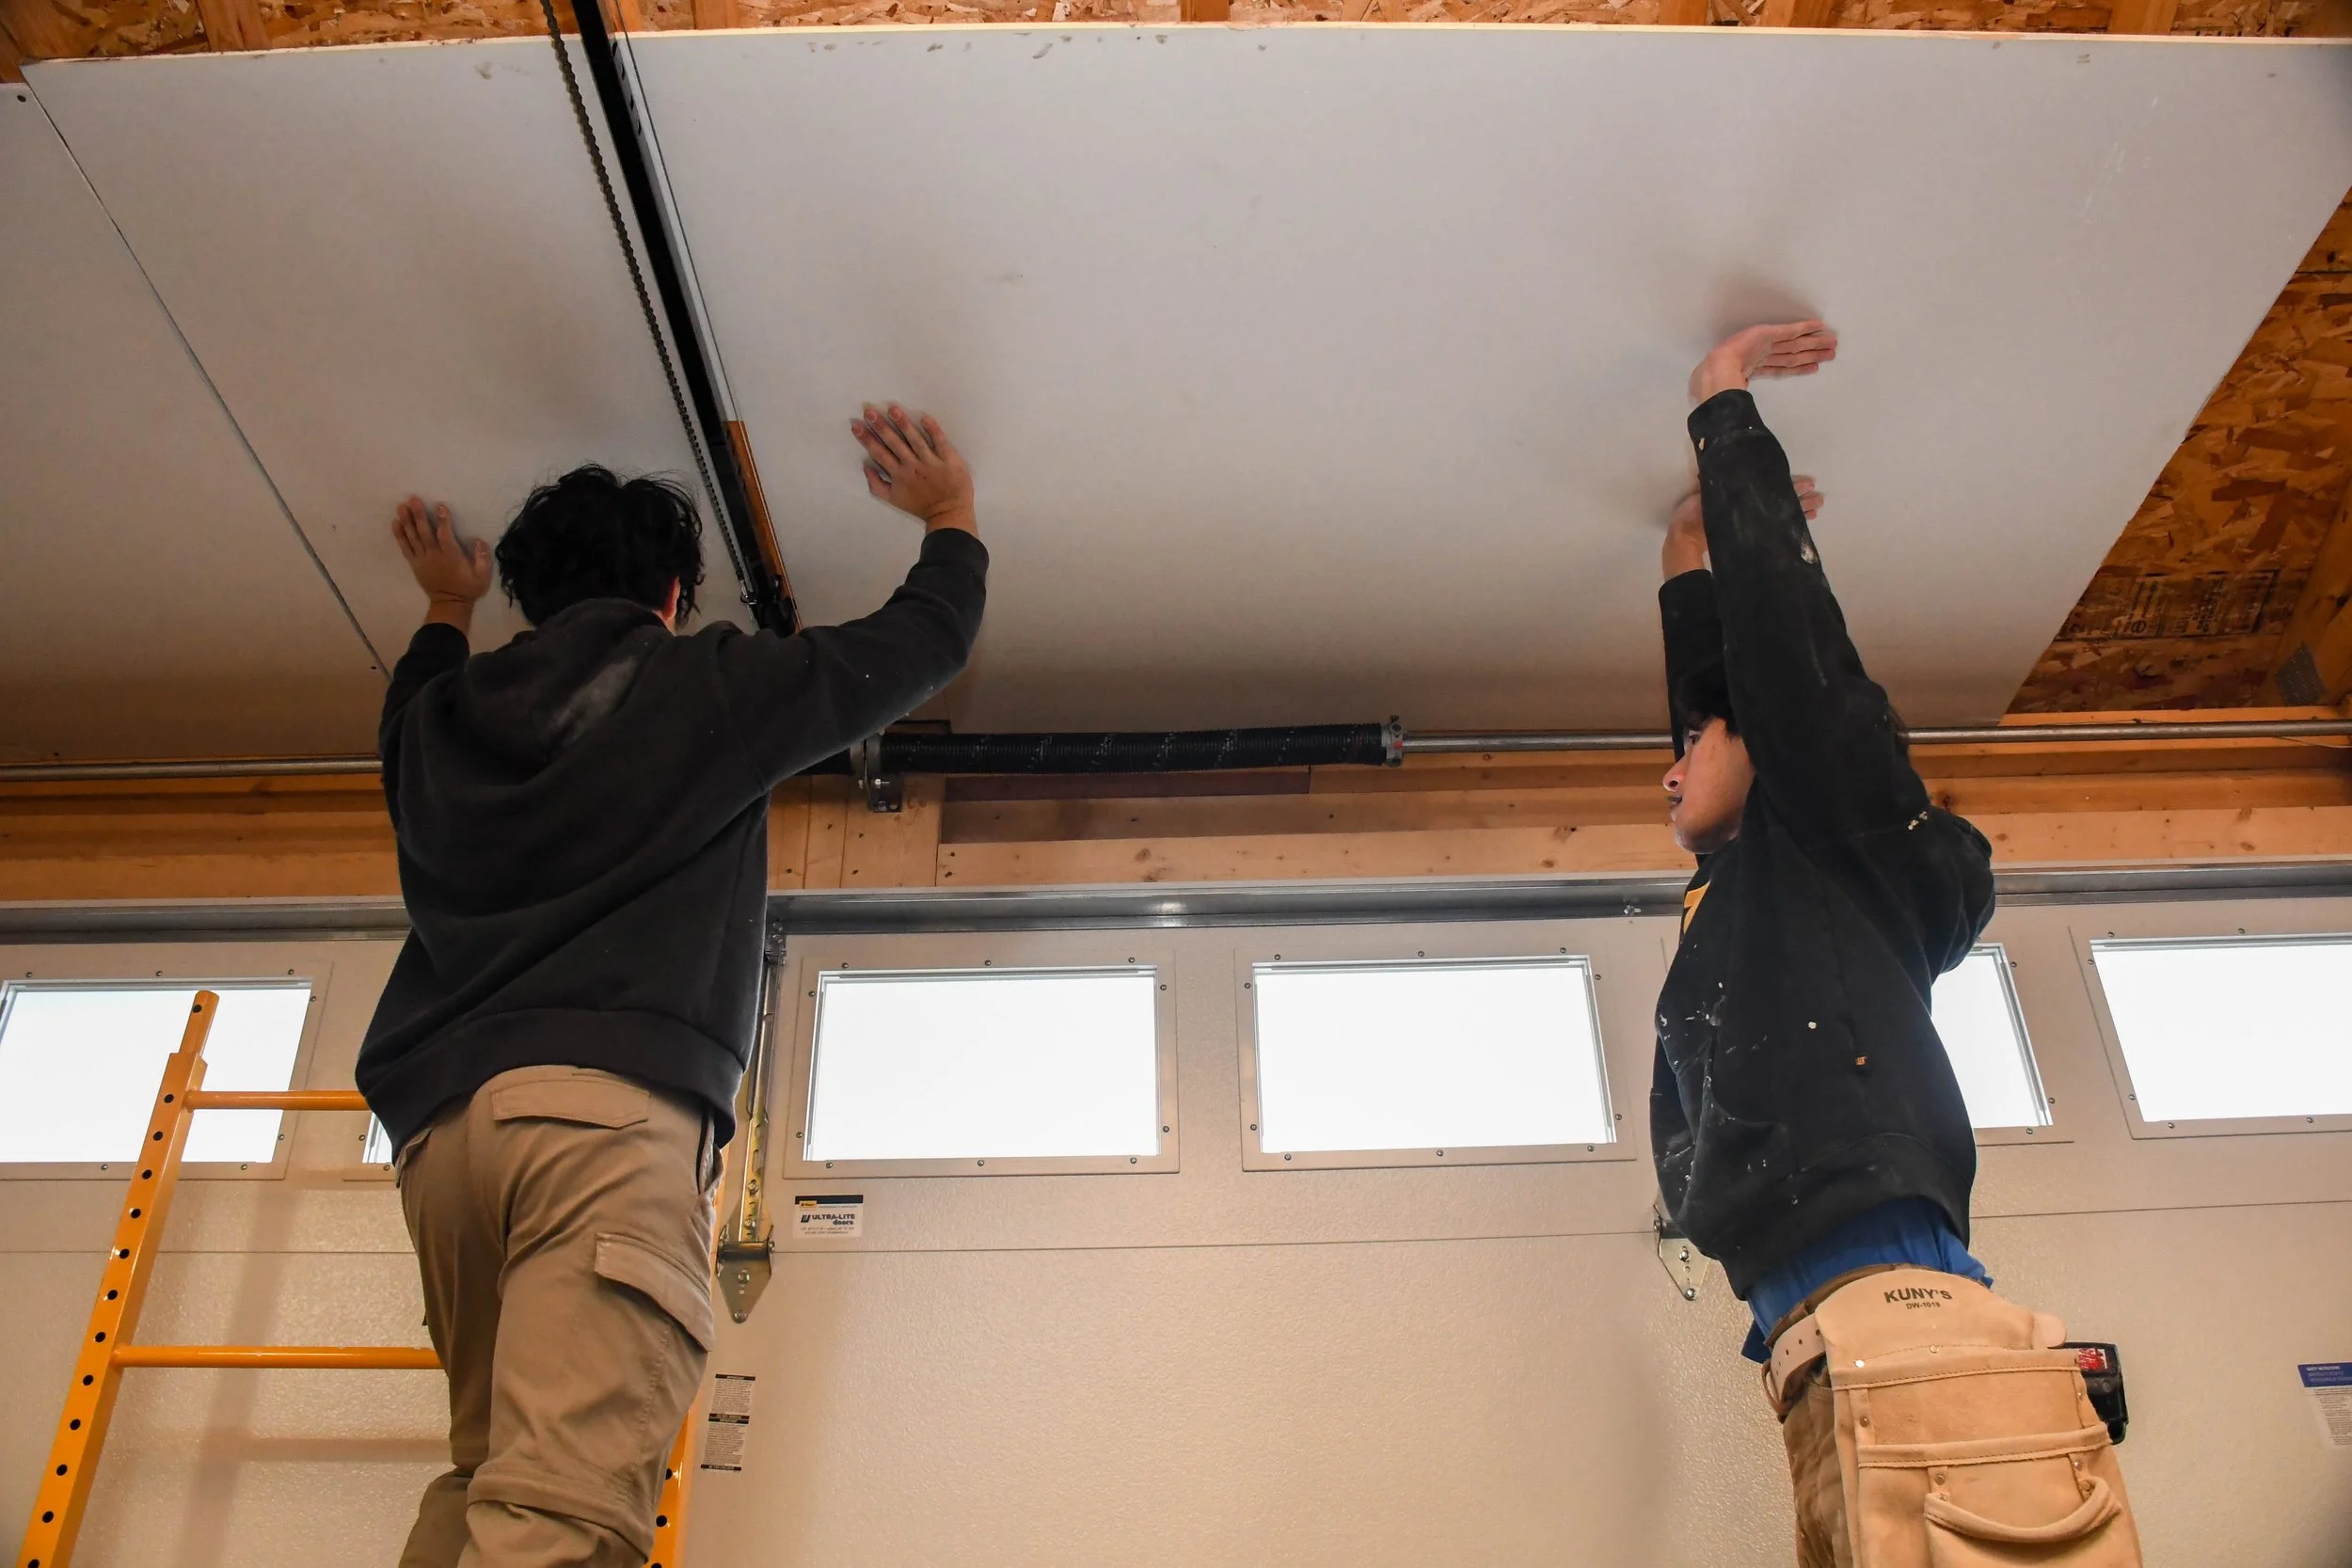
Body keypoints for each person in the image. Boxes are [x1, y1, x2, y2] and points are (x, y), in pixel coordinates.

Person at [358, 404, 986, 1568]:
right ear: (675, 595)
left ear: (531, 602)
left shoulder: (442, 725)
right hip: (598, 1125)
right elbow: (920, 643)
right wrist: (946, 515)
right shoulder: (702, 685)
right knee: (564, 1509)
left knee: (488, 1469)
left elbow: (403, 709)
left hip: (442, 1143)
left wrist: (446, 606)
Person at [1653, 325, 2141, 1566]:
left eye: (1697, 745)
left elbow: (1782, 670)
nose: (1670, 765)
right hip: (1860, 1352)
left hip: (1893, 1344)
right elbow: (1748, 693)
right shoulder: (1775, 866)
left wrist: (1726, 414)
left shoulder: (1803, 845)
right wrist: (1692, 549)